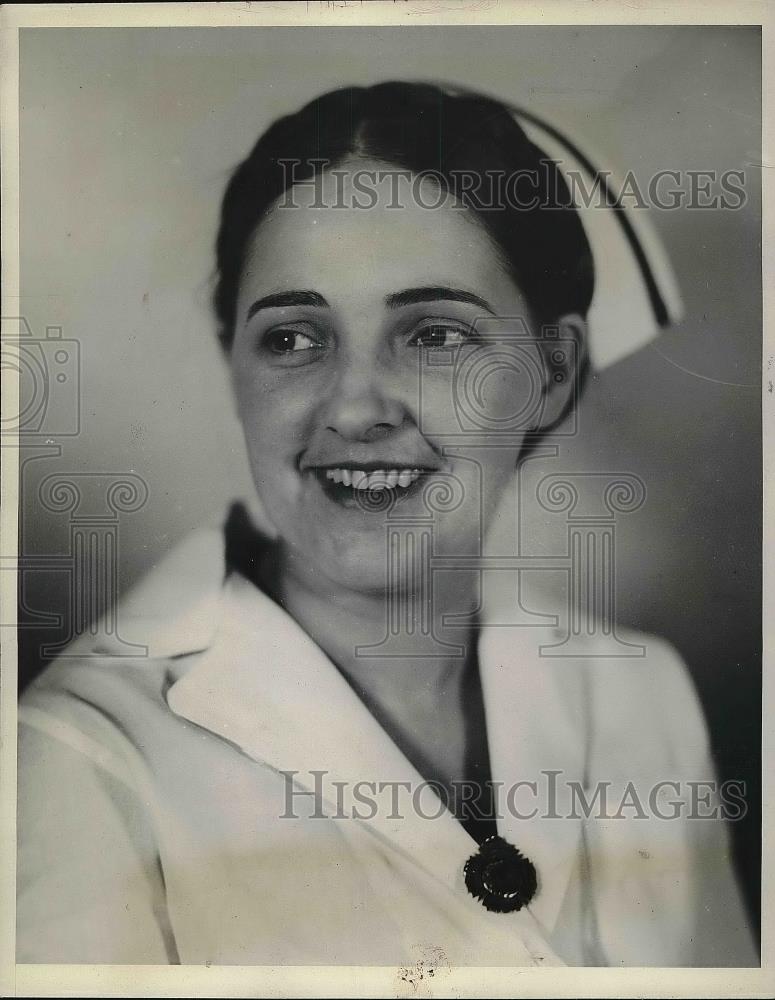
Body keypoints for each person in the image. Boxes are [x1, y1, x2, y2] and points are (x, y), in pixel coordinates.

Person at [16, 81, 757, 967]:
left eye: (434, 334)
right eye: (292, 338)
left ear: (551, 374)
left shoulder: (643, 699)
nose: (355, 407)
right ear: (235, 368)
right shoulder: (87, 757)